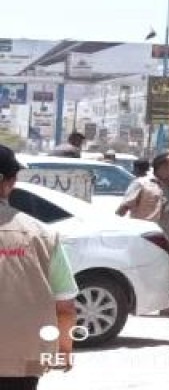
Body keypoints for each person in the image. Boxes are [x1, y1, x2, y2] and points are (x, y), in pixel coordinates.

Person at [0, 145, 79, 390]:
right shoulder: (42, 235)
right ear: (10, 182)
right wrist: (64, 350)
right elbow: (65, 305)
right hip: (22, 359)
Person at [118, 150, 169, 317]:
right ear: (161, 167)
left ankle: (166, 305)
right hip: (147, 237)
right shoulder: (142, 184)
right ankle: (137, 303)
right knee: (142, 270)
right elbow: (124, 207)